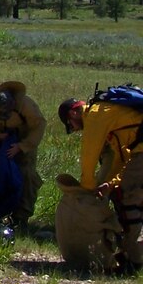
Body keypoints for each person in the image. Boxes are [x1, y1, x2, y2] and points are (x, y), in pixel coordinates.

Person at [59, 97, 141, 271]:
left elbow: (89, 157)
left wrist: (87, 191)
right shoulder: (107, 117)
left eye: (71, 125)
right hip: (138, 153)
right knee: (122, 192)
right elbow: (121, 159)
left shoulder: (95, 117)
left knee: (128, 198)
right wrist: (110, 185)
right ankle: (130, 253)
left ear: (73, 113)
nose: (74, 129)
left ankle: (135, 262)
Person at [0, 81, 46, 227]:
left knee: (27, 175)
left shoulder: (26, 106)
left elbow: (39, 125)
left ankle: (21, 216)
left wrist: (22, 146)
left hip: (24, 140)